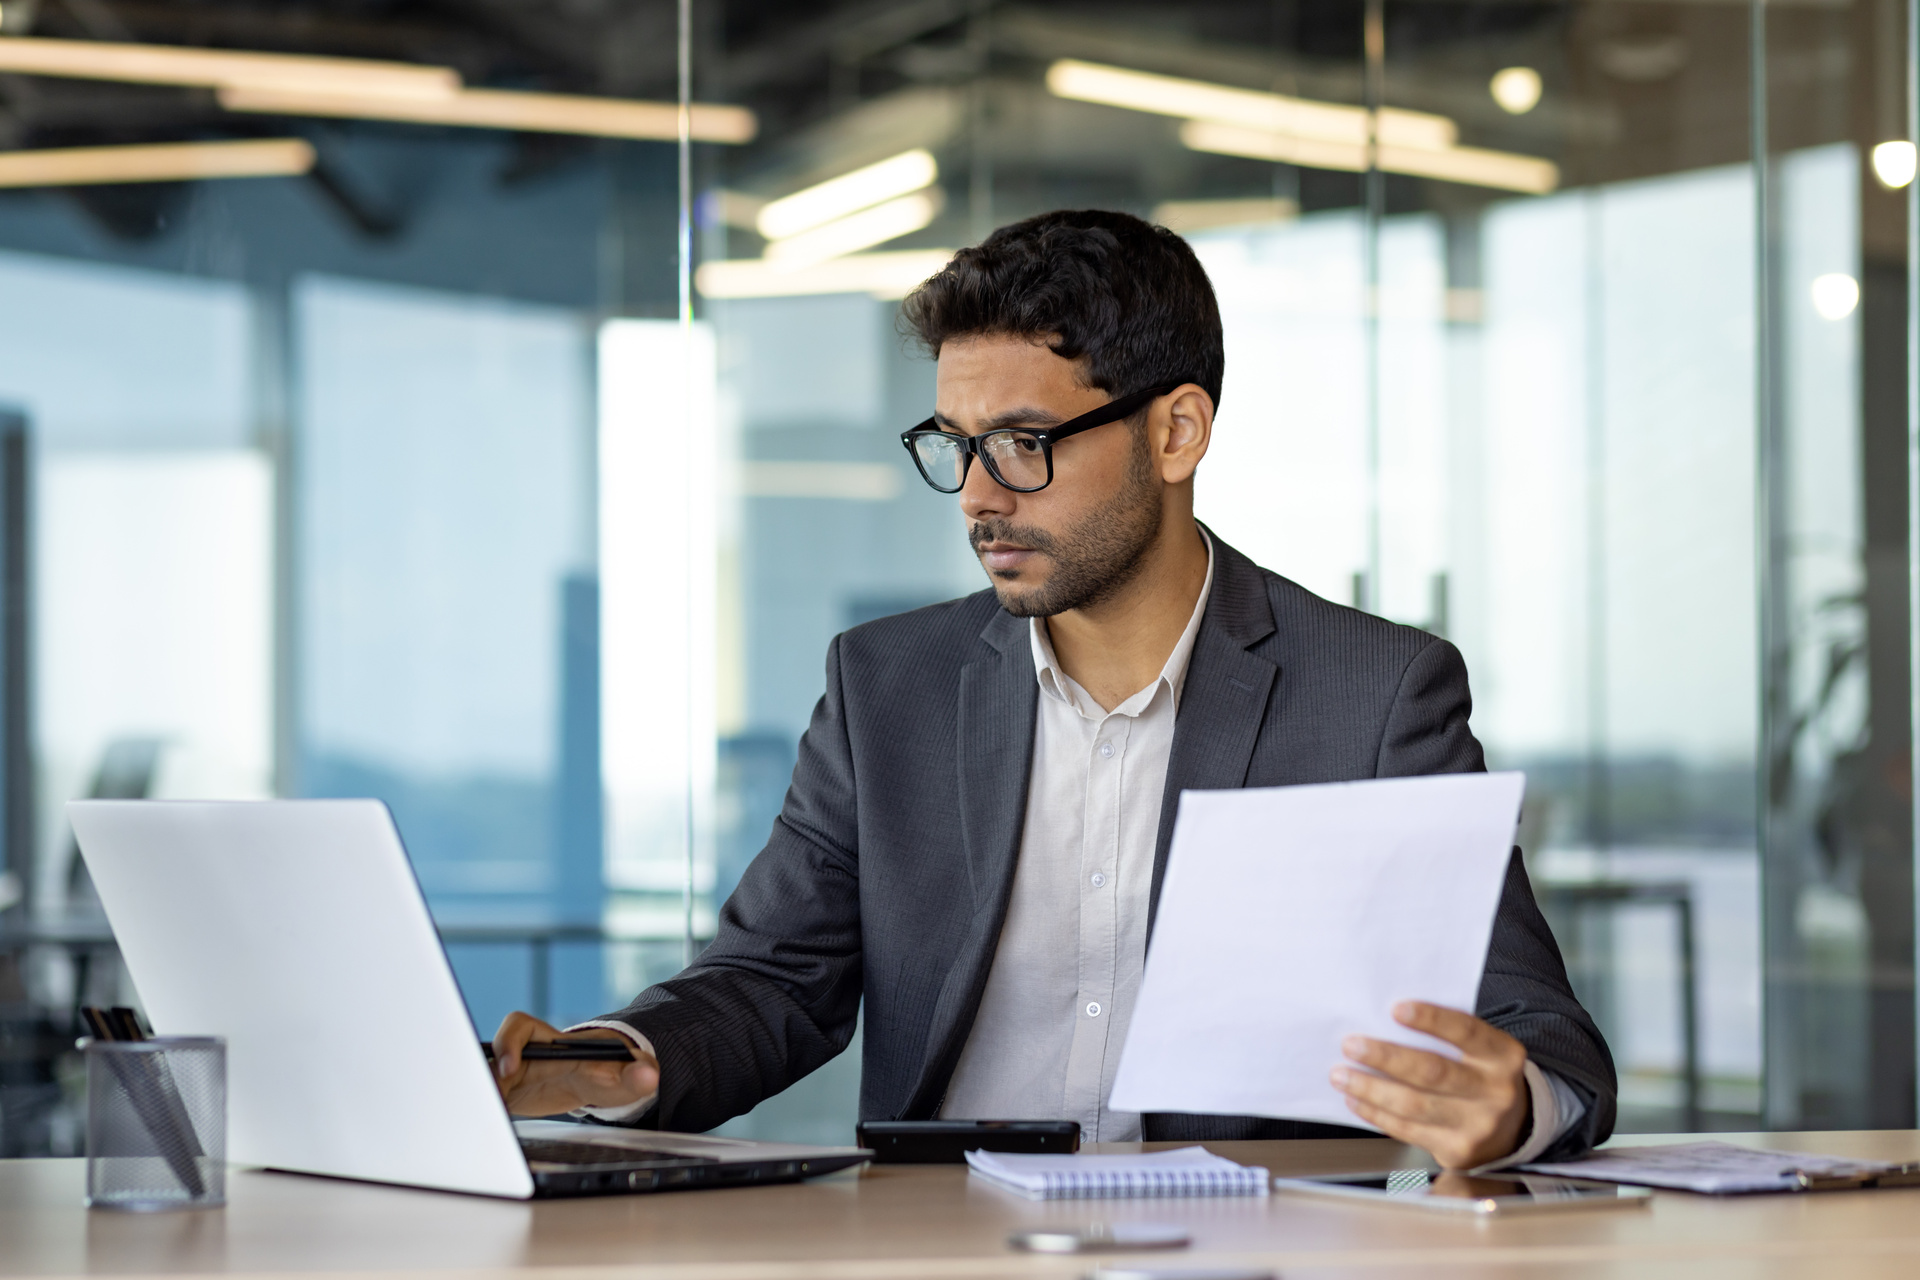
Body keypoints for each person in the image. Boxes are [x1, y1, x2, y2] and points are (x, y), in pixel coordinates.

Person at [492, 209, 1616, 1170]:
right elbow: (770, 980)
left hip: (1246, 1249)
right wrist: (596, 1064)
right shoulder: (890, 685)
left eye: (1025, 442)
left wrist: (1506, 1102)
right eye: (956, 443)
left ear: (1176, 431)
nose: (978, 495)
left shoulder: (1372, 690)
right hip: (944, 1243)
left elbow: (1541, 1034)